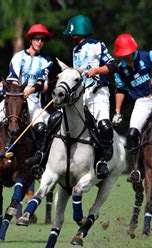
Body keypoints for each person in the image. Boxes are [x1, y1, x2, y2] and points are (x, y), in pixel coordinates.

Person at [89, 34, 152, 183]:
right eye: (124, 54)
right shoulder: (119, 68)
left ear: (133, 49)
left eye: (128, 53)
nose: (127, 56)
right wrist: (117, 111)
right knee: (132, 134)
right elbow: (120, 90)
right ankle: (136, 169)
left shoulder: (149, 56)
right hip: (142, 102)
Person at [0, 24, 53, 173]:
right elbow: (13, 79)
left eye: (42, 39)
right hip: (15, 99)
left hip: (33, 101)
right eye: (36, 39)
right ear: (31, 40)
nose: (39, 42)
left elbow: (42, 84)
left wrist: (30, 91)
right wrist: (17, 93)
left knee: (42, 129)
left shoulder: (46, 60)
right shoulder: (18, 57)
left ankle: (39, 161)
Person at [50, 14, 115, 177]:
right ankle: (46, 156)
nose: (71, 36)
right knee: (61, 121)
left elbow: (113, 66)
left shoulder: (97, 45)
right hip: (80, 94)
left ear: (80, 30)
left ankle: (103, 161)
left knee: (104, 126)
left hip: (98, 92)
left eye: (73, 32)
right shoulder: (75, 49)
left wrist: (98, 70)